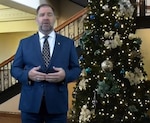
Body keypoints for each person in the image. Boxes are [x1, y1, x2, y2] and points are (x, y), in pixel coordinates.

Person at [11, 3, 81, 123]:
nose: (45, 18)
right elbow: (15, 69)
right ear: (37, 19)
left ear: (54, 18)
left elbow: (76, 69)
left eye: (49, 14)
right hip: (30, 105)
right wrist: (28, 75)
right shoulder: (25, 43)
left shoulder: (67, 43)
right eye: (42, 15)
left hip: (57, 105)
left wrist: (65, 75)